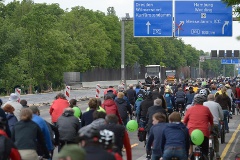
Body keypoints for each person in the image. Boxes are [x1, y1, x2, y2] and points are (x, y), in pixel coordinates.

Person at [184, 94, 213, 158]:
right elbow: (211, 120)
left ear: (194, 101)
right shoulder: (206, 109)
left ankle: (190, 155)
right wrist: (211, 129)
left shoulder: (190, 109)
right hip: (204, 133)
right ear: (202, 102)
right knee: (205, 151)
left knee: (189, 144)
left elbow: (184, 121)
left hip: (191, 132)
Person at [203, 94, 224, 159]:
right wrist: (221, 119)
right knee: (215, 138)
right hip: (215, 124)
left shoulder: (204, 104)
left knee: (204, 138)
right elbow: (221, 115)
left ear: (207, 98)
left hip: (205, 124)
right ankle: (217, 153)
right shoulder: (217, 104)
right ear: (214, 98)